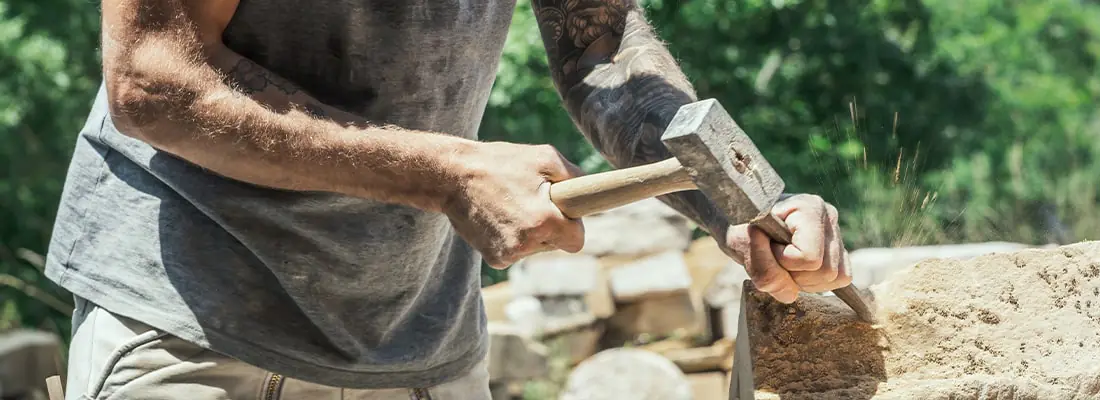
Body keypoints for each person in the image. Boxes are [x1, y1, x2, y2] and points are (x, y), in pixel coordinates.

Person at [45, 0, 855, 398]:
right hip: (204, 328)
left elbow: (598, 45)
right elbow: (153, 77)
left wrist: (743, 205)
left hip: (419, 340)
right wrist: (446, 174)